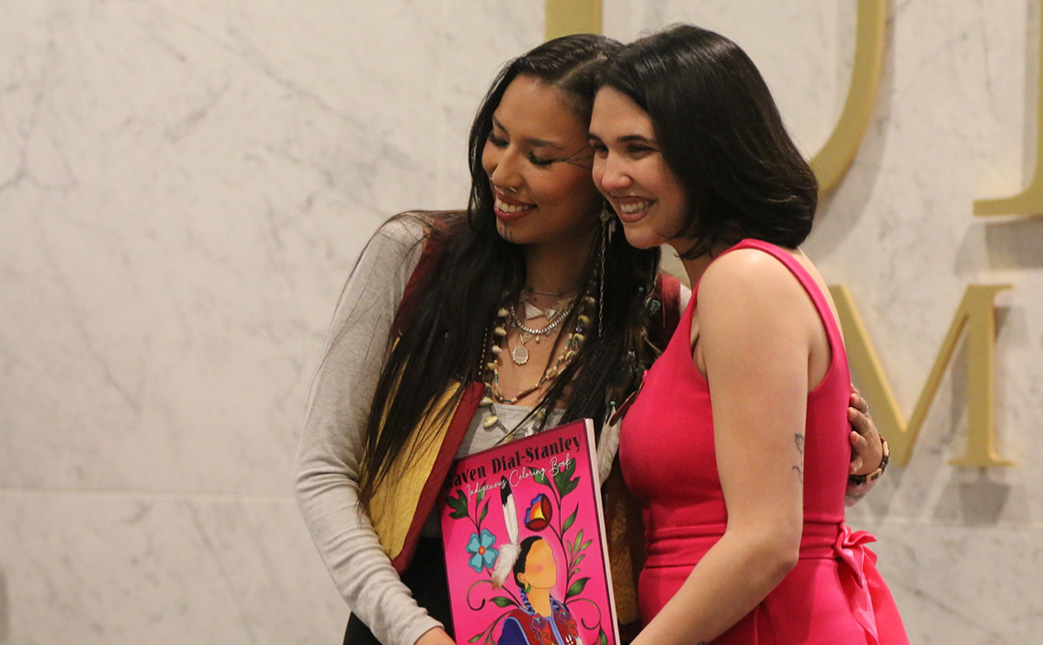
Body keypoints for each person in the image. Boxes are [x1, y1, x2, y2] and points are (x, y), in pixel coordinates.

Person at [296, 33, 888, 645]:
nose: (503, 171)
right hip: (403, 617)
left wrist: (862, 458)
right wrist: (413, 632)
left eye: (544, 157)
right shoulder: (417, 260)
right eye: (498, 138)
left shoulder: (666, 312)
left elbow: (771, 473)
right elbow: (323, 472)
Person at [588, 24, 907, 644]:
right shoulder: (737, 279)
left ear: (706, 149)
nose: (609, 175)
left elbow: (766, 543)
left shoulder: (746, 279)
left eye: (637, 148)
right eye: (600, 148)